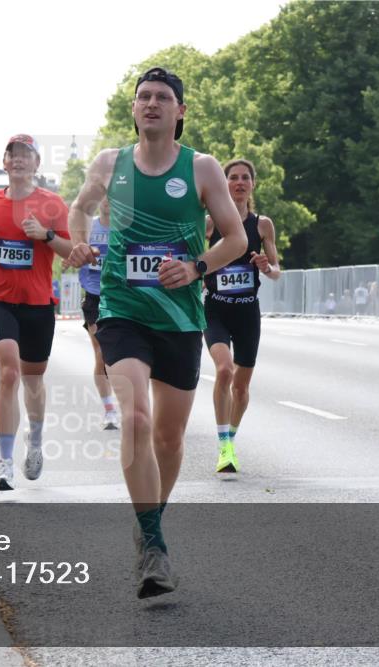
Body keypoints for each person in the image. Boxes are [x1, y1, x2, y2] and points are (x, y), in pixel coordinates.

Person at [65, 67, 246, 598]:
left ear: (179, 111)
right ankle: (153, 543)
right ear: (134, 108)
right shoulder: (110, 163)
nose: (151, 104)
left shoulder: (202, 168)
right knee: (137, 418)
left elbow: (234, 238)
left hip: (182, 318)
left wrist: (196, 267)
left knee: (169, 438)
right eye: (143, 97)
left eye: (162, 98)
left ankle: (150, 525)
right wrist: (79, 244)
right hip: (122, 311)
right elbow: (78, 208)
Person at [0, 134, 72, 492]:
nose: (19, 160)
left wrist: (44, 235)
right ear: (5, 162)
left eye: (27, 155)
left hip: (38, 303)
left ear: (37, 164)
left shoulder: (52, 203)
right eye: (13, 154)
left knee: (33, 381)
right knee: (8, 374)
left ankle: (35, 440)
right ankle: (4, 463)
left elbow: (71, 250)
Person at [203, 159, 281, 475]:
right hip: (216, 309)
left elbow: (276, 272)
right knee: (224, 370)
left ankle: (230, 438)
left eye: (244, 177)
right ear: (224, 184)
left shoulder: (263, 225)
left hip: (248, 312)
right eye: (232, 177)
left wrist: (267, 267)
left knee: (241, 388)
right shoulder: (209, 224)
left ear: (252, 184)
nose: (238, 182)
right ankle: (224, 446)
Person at [77, 198, 119, 430]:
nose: (107, 202)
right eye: (103, 196)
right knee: (101, 353)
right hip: (94, 296)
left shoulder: (125, 228)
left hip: (121, 295)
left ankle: (133, 403)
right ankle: (109, 410)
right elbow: (74, 252)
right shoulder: (88, 227)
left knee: (124, 354)